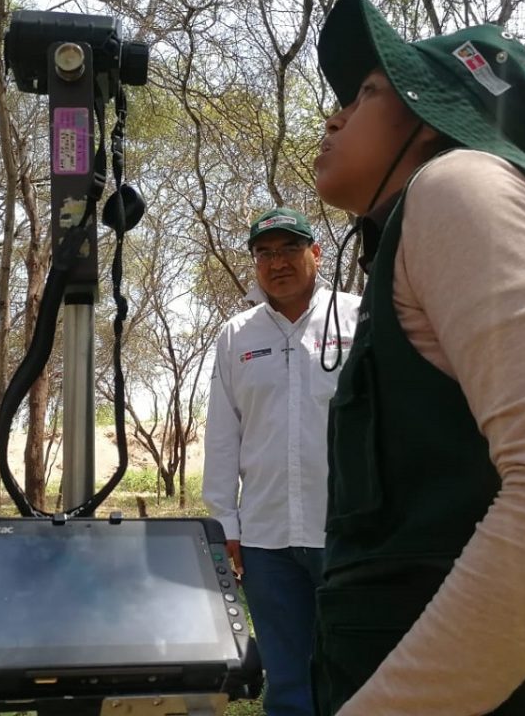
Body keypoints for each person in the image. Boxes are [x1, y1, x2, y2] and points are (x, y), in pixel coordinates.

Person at [310, 0, 525, 715]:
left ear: (432, 121)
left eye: (368, 93)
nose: (334, 116)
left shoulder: (460, 183)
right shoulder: (422, 228)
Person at [203, 208, 359, 716]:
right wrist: (225, 522)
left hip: (348, 532)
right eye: (264, 253)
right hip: (265, 541)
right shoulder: (237, 335)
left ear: (316, 253)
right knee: (288, 681)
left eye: (290, 248)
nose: (277, 263)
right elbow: (223, 434)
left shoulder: (358, 318)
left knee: (357, 673)